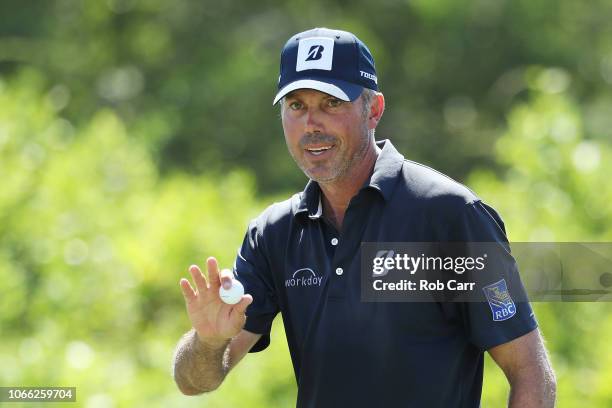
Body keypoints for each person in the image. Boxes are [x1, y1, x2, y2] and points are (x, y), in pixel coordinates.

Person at [172, 27, 556, 407]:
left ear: (373, 110)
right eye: (297, 106)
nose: (312, 124)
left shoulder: (449, 215)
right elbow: (196, 382)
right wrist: (208, 342)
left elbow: (530, 373)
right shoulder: (274, 233)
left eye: (331, 103)